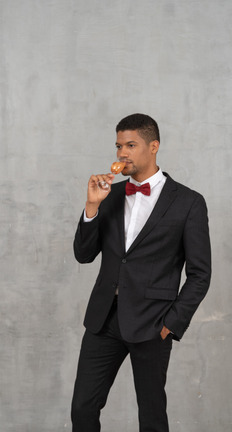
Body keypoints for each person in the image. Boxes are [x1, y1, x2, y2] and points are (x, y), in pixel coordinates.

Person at [71, 113, 211, 432]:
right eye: (119, 145)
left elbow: (201, 274)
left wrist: (170, 325)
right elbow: (83, 255)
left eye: (131, 145)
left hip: (152, 323)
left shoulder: (188, 203)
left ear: (154, 147)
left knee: (151, 417)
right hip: (103, 319)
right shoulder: (111, 195)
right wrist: (92, 207)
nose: (122, 153)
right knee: (82, 409)